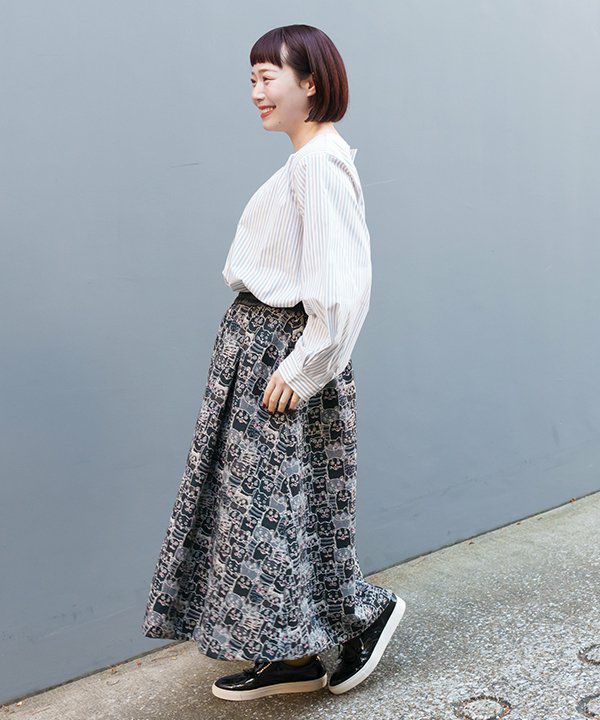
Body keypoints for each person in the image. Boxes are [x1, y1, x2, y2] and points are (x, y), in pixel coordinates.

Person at [141, 23, 406, 701]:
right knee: (275, 513)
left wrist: (302, 368)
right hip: (264, 352)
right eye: (252, 79)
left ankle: (363, 616)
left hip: (280, 359)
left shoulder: (319, 167)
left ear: (309, 82)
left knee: (274, 511)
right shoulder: (307, 163)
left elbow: (343, 287)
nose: (256, 91)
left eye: (268, 77)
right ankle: (292, 650)